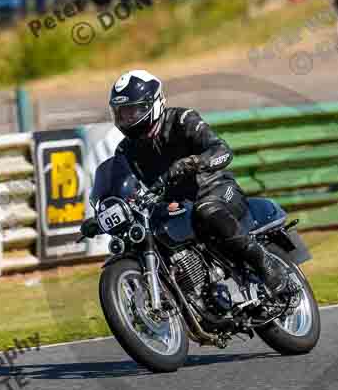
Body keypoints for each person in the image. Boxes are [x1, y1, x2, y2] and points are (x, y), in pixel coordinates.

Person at [80, 70, 287, 295]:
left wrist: (193, 162)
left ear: (153, 104)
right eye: (121, 113)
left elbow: (223, 151)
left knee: (206, 210)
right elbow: (122, 184)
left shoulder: (182, 120)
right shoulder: (125, 149)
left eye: (132, 111)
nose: (126, 119)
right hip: (174, 204)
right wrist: (104, 215)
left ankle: (266, 265)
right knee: (145, 236)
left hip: (215, 188)